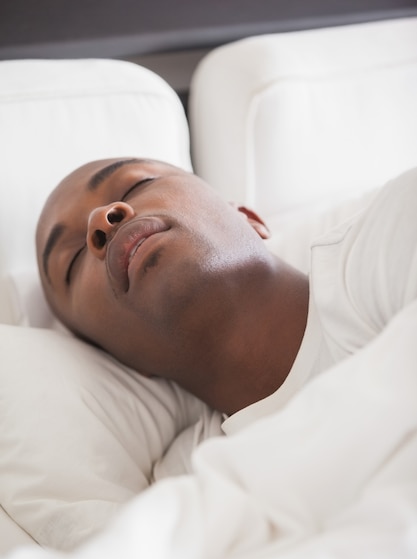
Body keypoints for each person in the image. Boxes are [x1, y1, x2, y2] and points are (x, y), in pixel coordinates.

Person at [36, 157, 417, 430]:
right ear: (118, 358)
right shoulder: (189, 495)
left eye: (136, 186)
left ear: (248, 216)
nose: (101, 220)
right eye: (72, 263)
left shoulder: (396, 235)